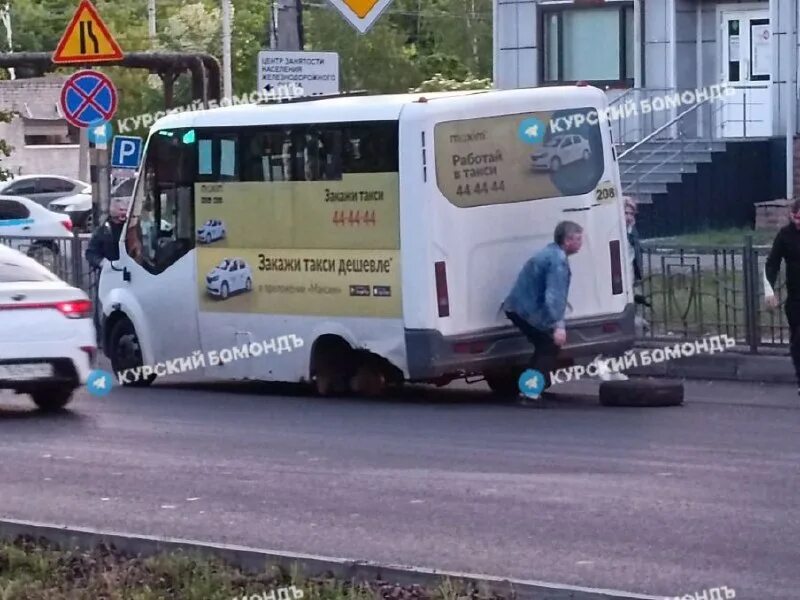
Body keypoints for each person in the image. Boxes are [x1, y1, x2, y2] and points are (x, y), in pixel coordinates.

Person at [503, 221, 583, 405]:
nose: (581, 243)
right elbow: (553, 296)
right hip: (525, 310)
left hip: (517, 307)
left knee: (543, 346)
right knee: (549, 345)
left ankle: (529, 389)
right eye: (578, 239)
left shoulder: (551, 252)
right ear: (567, 240)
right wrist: (558, 326)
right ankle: (530, 393)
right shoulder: (558, 261)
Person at [765, 199, 800, 395]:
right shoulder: (785, 235)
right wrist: (769, 291)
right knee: (798, 340)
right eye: (795, 218)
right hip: (796, 298)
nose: (798, 223)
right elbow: (772, 264)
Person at [85, 201, 128, 342]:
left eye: (126, 210)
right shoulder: (103, 231)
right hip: (108, 275)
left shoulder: (132, 228)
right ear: (113, 212)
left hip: (129, 273)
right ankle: (102, 338)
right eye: (121, 209)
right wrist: (102, 263)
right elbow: (90, 253)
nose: (124, 213)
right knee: (104, 307)